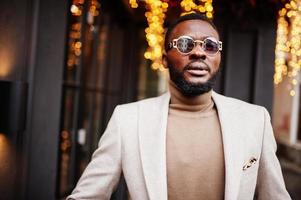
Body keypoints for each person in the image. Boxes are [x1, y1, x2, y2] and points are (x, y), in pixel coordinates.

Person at [67, 13, 291, 200]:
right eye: (185, 44)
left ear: (218, 57)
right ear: (165, 59)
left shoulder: (254, 120)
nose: (199, 52)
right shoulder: (127, 120)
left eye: (210, 46)